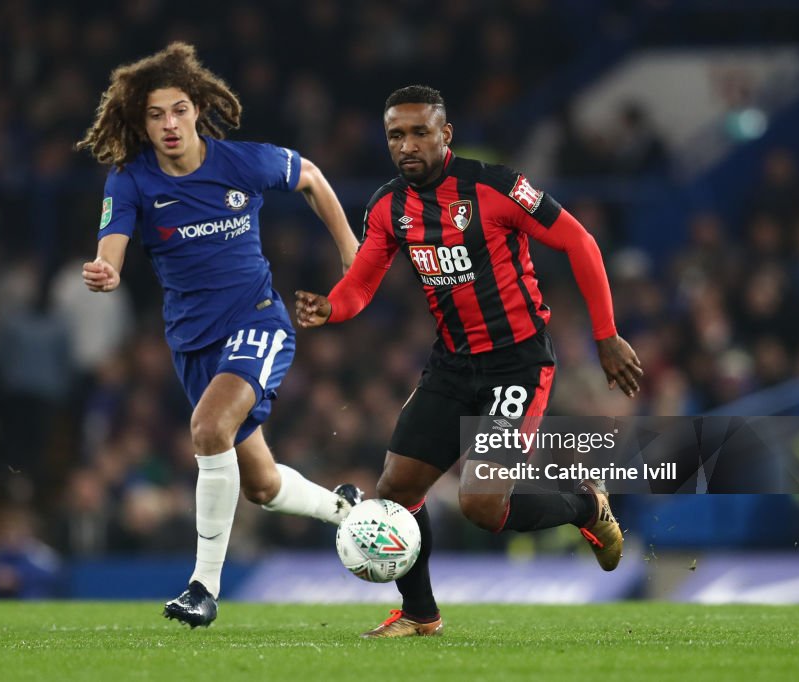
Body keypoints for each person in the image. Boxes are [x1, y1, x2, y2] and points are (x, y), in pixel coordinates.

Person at [296, 85, 643, 638]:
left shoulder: (497, 187)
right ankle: (420, 614)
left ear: (444, 134)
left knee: (481, 504)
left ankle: (584, 507)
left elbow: (580, 242)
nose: (406, 145)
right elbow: (361, 285)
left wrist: (606, 335)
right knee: (396, 489)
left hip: (517, 366)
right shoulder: (388, 207)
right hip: (453, 364)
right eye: (395, 135)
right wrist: (330, 307)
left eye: (418, 132)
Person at [75, 42, 362, 628]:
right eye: (156, 115)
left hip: (257, 320)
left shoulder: (241, 162)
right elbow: (113, 247)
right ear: (142, 122)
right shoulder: (131, 181)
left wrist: (352, 252)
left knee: (208, 428)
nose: (169, 124)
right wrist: (107, 270)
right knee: (258, 483)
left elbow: (310, 176)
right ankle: (343, 509)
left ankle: (203, 588)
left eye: (178, 110)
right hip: (193, 344)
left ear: (197, 109)